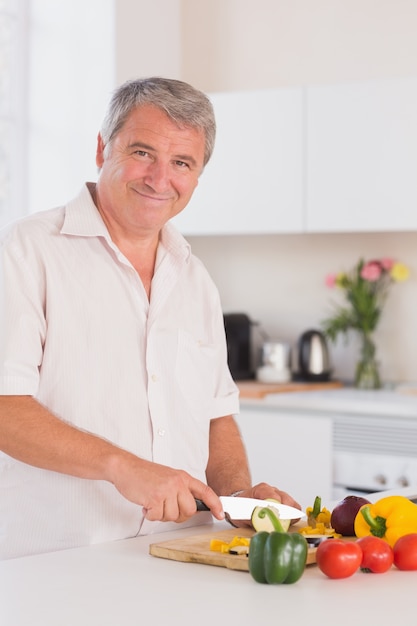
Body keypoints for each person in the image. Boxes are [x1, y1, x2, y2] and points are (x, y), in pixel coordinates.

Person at [0, 77, 300, 559]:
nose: (160, 179)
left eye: (182, 163)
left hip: (182, 552)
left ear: (198, 175)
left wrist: (238, 497)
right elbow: (4, 407)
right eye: (142, 153)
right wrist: (122, 466)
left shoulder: (194, 277)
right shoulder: (26, 250)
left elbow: (215, 415)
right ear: (102, 148)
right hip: (57, 557)